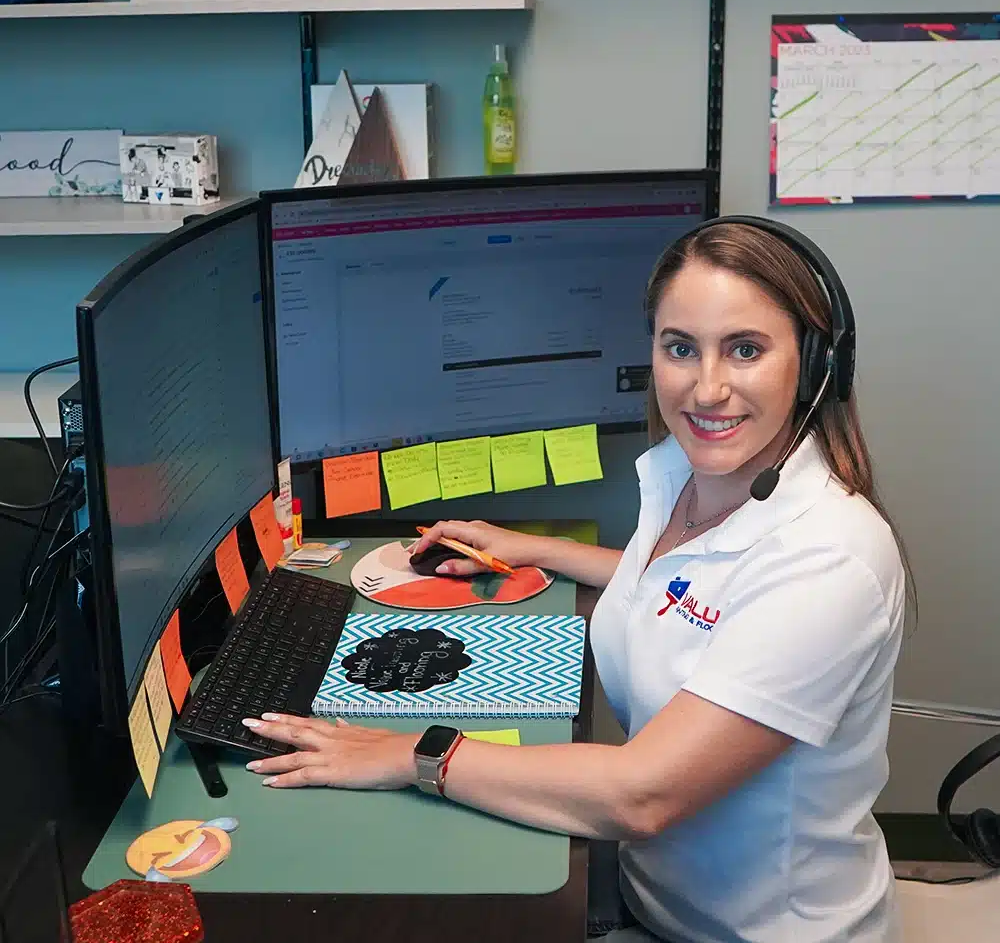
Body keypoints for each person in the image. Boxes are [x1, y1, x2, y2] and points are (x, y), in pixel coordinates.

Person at [242, 218, 909, 943]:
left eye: (744, 350)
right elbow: (687, 592)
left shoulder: (828, 560)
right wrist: (532, 549)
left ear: (813, 366)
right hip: (654, 896)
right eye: (680, 347)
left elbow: (640, 795)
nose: (707, 388)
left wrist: (410, 755)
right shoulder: (694, 475)